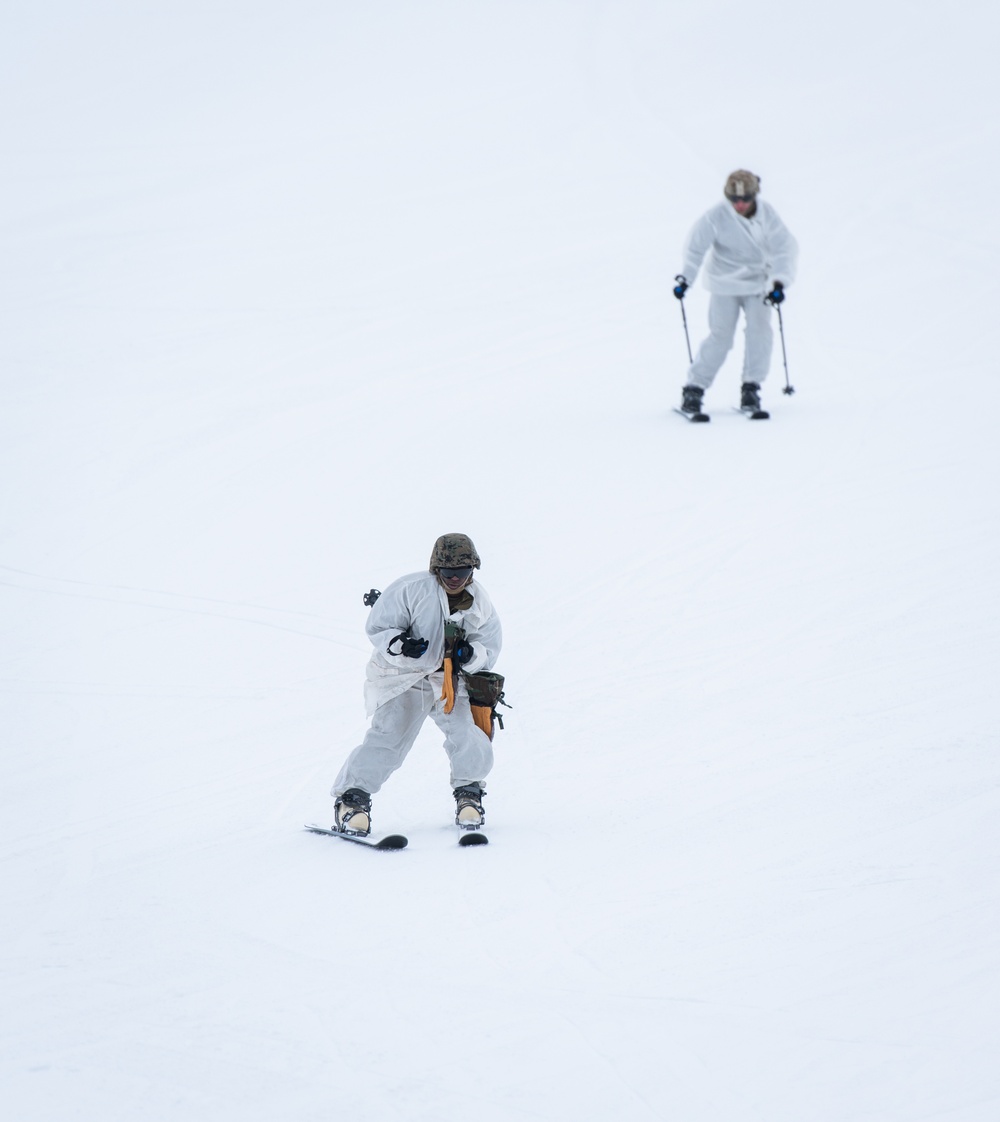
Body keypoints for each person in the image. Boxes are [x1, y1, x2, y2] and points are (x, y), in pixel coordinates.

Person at [330, 533, 502, 836]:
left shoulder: (480, 602)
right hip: (404, 676)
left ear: (473, 570)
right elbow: (379, 625)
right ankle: (351, 802)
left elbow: (489, 644)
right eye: (448, 573)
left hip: (447, 679)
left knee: (467, 733)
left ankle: (469, 796)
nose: (455, 579)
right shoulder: (411, 589)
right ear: (437, 570)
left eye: (462, 573)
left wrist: (471, 655)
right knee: (389, 738)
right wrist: (400, 644)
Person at [673, 169, 798, 416]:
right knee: (720, 337)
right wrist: (685, 279)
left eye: (745, 199)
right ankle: (694, 389)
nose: (739, 204)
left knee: (760, 333)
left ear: (755, 196)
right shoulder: (716, 216)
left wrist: (779, 282)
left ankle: (751, 388)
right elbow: (695, 248)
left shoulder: (767, 214)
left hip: (757, 284)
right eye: (734, 199)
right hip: (724, 283)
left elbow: (784, 247)